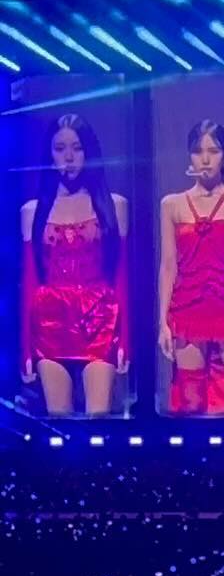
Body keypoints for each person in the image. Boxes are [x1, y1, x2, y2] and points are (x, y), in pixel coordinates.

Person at [20, 114, 129, 416]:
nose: (68, 157)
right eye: (59, 149)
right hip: (50, 322)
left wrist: (126, 341)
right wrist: (25, 348)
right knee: (59, 420)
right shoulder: (32, 211)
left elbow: (121, 277)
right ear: (49, 155)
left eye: (77, 148)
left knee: (98, 418)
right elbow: (30, 283)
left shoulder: (114, 205)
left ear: (89, 152)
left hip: (100, 320)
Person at [158, 120, 224, 415]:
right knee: (191, 404)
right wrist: (162, 322)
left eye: (213, 151)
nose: (205, 159)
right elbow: (168, 266)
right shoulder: (172, 205)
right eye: (198, 151)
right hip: (188, 310)